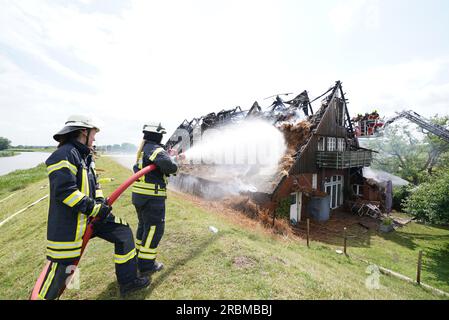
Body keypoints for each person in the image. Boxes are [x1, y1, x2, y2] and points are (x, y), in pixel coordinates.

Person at [38, 115, 149, 299]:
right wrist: (95, 209)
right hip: (70, 227)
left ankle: (128, 282)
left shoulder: (85, 156)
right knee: (61, 275)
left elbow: (94, 185)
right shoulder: (63, 155)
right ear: (84, 131)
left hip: (91, 218)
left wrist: (100, 202)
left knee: (123, 232)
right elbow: (66, 192)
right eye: (94, 133)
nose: (95, 138)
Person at [132, 122, 178, 276]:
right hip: (152, 197)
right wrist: (174, 160)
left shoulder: (143, 149)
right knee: (154, 229)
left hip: (140, 196)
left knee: (144, 226)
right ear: (158, 135)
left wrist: (169, 155)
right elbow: (170, 167)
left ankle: (139, 257)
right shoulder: (155, 149)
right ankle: (147, 265)